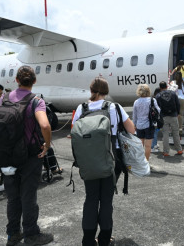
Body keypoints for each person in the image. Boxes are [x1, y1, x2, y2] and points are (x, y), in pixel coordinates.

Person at [72, 77, 135, 246]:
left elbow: (74, 132)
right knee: (106, 201)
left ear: (91, 90)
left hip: (88, 161)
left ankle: (88, 240)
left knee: (91, 199)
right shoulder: (114, 107)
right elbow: (132, 129)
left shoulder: (81, 108)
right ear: (106, 91)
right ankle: (105, 239)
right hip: (111, 160)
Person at [1, 66, 54, 246]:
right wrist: (46, 144)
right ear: (34, 81)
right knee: (28, 196)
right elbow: (45, 126)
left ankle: (13, 234)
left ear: (16, 80)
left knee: (13, 197)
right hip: (29, 155)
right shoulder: (35, 101)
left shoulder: (4, 98)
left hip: (8, 155)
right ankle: (31, 234)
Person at [132, 84, 160, 161]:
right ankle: (146, 162)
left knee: (140, 146)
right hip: (149, 125)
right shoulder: (152, 100)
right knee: (148, 146)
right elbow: (158, 111)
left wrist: (134, 125)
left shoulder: (136, 102)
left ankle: (140, 162)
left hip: (139, 126)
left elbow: (134, 116)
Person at [155, 81, 183, 156]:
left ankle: (166, 151)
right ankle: (179, 150)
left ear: (160, 88)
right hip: (173, 116)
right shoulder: (173, 93)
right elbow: (178, 104)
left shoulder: (158, 96)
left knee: (165, 135)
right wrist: (177, 113)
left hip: (164, 117)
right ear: (167, 86)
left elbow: (157, 108)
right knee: (176, 133)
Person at [169, 60, 184, 131]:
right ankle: (180, 128)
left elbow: (169, 86)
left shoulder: (173, 82)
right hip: (182, 99)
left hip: (174, 99)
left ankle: (172, 127)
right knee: (181, 114)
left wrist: (170, 74)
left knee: (173, 114)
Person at [151, 87, 161, 152]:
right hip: (155, 118)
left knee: (155, 132)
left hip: (153, 118)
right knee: (155, 132)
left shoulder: (153, 98)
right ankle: (153, 147)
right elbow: (158, 109)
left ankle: (155, 144)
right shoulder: (156, 99)